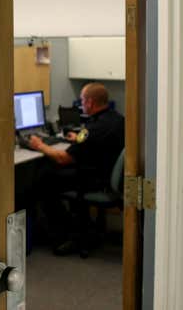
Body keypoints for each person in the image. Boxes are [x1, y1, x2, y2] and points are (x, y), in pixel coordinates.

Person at [28, 82, 124, 255]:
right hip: (104, 174)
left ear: (90, 103)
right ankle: (75, 226)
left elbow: (64, 158)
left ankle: (63, 236)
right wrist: (77, 138)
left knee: (43, 179)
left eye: (82, 100)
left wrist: (40, 145)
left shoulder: (93, 129)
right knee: (47, 170)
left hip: (92, 180)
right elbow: (94, 142)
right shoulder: (116, 119)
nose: (81, 104)